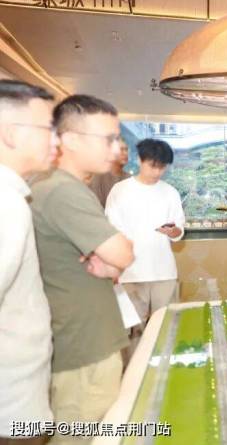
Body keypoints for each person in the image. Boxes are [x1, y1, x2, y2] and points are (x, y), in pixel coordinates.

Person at [31, 95, 134, 444]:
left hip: (86, 339)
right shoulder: (62, 190)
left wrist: (112, 261)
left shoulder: (67, 187)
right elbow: (122, 253)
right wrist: (116, 256)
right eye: (108, 139)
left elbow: (114, 260)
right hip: (82, 349)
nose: (116, 149)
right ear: (72, 139)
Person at [0, 80, 57, 444]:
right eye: (47, 129)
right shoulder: (6, 203)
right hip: (11, 405)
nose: (56, 141)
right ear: (10, 133)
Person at [105, 139, 185, 354]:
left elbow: (179, 230)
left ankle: (164, 368)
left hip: (164, 272)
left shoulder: (170, 192)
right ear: (140, 160)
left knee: (167, 327)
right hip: (130, 272)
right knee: (133, 332)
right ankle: (134, 371)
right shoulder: (120, 190)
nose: (157, 172)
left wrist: (174, 231)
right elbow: (111, 230)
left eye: (162, 167)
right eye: (153, 166)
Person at [88, 138, 130, 207]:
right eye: (121, 150)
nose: (125, 153)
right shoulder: (98, 175)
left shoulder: (129, 178)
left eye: (126, 150)